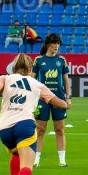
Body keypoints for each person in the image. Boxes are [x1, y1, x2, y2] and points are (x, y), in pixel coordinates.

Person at [33, 34, 72, 168]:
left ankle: (62, 160)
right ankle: (36, 160)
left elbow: (66, 81)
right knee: (40, 130)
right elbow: (32, 80)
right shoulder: (38, 60)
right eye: (54, 43)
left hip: (59, 99)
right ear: (48, 44)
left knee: (60, 130)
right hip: (42, 100)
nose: (56, 46)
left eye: (58, 44)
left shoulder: (61, 60)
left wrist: (68, 97)